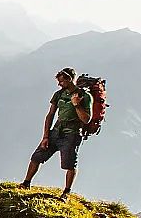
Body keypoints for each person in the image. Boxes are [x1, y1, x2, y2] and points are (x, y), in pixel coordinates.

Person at [21, 67, 93, 196]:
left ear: (70, 79)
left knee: (70, 164)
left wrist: (76, 105)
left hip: (72, 133)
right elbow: (50, 114)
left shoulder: (84, 96)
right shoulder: (58, 94)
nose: (59, 84)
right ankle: (26, 183)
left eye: (62, 81)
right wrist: (45, 136)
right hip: (56, 131)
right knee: (36, 157)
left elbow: (86, 119)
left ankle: (66, 193)